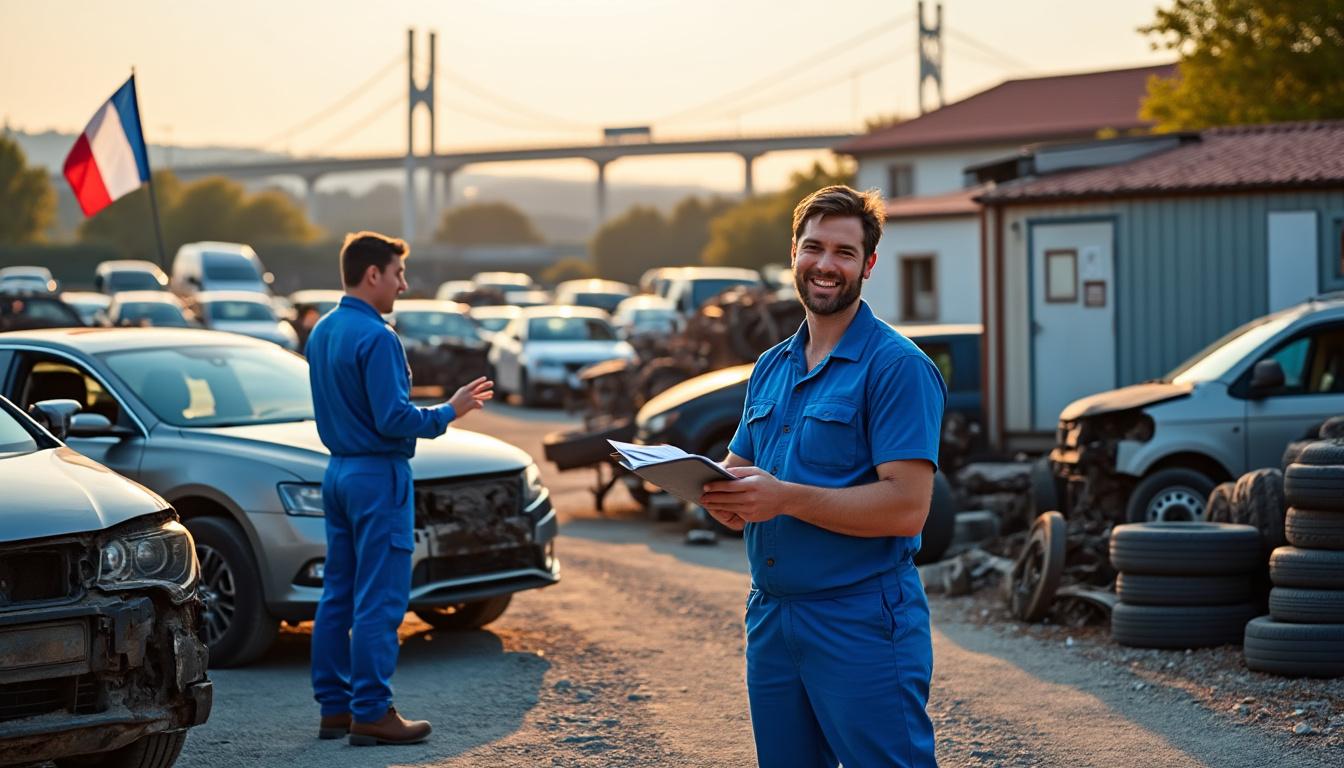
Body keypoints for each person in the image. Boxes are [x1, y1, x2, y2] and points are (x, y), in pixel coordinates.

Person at [700, 186, 946, 767]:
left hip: (860, 619)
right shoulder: (771, 365)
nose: (826, 265)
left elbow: (907, 508)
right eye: (814, 247)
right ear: (793, 253)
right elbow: (738, 469)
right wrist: (713, 492)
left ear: (869, 264)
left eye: (844, 252)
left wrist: (782, 499)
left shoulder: (898, 367)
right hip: (773, 616)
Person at [305, 231, 493, 746]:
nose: (403, 285)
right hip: (377, 477)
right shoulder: (378, 337)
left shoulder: (321, 330)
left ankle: (335, 709)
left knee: (338, 593)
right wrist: (449, 411)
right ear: (373, 275)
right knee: (381, 600)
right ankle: (372, 711)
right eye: (398, 274)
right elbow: (392, 418)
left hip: (338, 472)